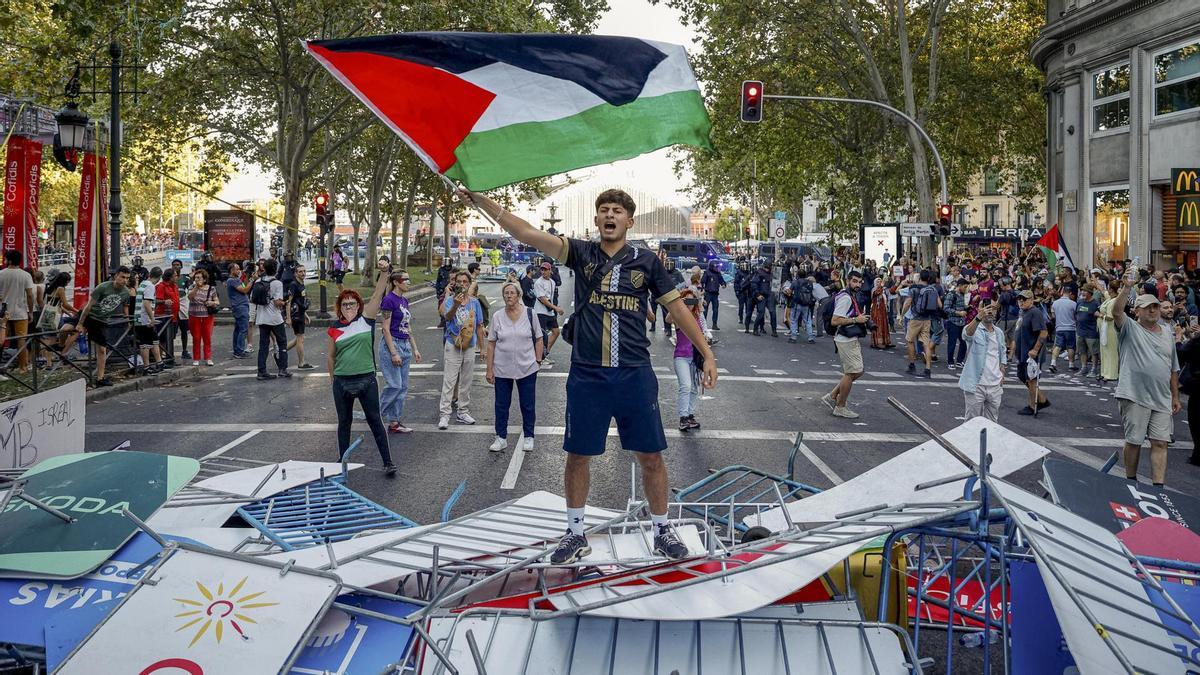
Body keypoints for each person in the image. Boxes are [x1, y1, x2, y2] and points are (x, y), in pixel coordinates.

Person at [459, 187, 717, 565]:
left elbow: (677, 309)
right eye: (604, 210)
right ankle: (575, 532)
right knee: (578, 455)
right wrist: (483, 202)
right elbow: (527, 232)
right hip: (588, 375)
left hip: (634, 373)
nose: (610, 215)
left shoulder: (647, 262)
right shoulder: (580, 253)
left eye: (617, 211)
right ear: (597, 220)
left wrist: (705, 352)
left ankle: (662, 529)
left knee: (652, 456)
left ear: (629, 221)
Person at [327, 260, 396, 476]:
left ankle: (387, 461)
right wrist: (333, 380)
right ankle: (342, 462)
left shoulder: (366, 321)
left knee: (375, 420)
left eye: (352, 304)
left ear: (359, 306)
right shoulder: (335, 329)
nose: (349, 307)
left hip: (366, 380)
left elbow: (377, 295)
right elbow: (330, 356)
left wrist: (384, 273)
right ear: (340, 307)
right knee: (344, 423)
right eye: (345, 304)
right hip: (342, 382)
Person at [1112, 286, 1181, 487]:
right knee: (1134, 441)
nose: (1152, 311)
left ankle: (1158, 487)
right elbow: (1116, 311)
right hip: (1134, 394)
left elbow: (1173, 368)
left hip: (1162, 397)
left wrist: (1175, 396)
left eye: (1155, 307)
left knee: (1161, 442)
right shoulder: (1129, 327)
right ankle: (1131, 481)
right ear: (1137, 311)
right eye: (1147, 307)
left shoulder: (1168, 333)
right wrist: (1126, 288)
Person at [486, 281, 544, 452]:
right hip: (502, 368)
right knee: (501, 405)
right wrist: (489, 369)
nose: (509, 296)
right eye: (506, 293)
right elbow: (491, 344)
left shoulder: (530, 314)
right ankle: (501, 437)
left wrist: (537, 361)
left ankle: (528, 436)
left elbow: (539, 338)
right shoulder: (497, 316)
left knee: (527, 404)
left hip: (527, 367)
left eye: (512, 293)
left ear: (519, 296)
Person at [437, 270, 487, 429]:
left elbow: (479, 325)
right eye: (459, 282)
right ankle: (444, 414)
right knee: (450, 380)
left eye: (466, 282)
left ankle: (462, 411)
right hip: (453, 343)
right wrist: (456, 304)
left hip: (470, 345)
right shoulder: (451, 301)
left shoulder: (474, 302)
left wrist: (483, 348)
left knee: (466, 380)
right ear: (455, 284)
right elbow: (447, 317)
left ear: (469, 283)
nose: (463, 285)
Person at [379, 270, 422, 434]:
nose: (408, 282)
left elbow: (407, 326)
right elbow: (385, 328)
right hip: (392, 344)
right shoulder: (388, 300)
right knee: (394, 385)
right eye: (406, 279)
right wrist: (393, 352)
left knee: (403, 387)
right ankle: (375, 413)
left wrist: (415, 347)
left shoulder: (404, 301)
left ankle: (394, 422)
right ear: (396, 282)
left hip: (405, 344)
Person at [77, 266, 133, 387]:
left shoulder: (125, 292)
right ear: (116, 276)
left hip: (102, 320)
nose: (125, 280)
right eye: (122, 277)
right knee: (100, 348)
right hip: (90, 316)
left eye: (127, 278)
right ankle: (100, 377)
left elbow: (125, 307)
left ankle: (100, 377)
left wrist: (127, 320)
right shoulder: (103, 287)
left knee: (101, 349)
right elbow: (88, 306)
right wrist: (81, 323)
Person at [822, 271, 868, 419]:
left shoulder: (847, 294)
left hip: (848, 338)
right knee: (852, 372)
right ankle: (840, 407)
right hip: (845, 338)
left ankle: (833, 395)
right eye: (854, 281)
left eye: (860, 282)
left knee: (856, 371)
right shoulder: (846, 298)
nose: (858, 285)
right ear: (848, 281)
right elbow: (835, 320)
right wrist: (856, 320)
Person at [958, 301, 1006, 421]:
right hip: (976, 384)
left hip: (995, 385)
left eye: (992, 308)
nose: (989, 311)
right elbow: (966, 335)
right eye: (985, 307)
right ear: (979, 310)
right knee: (971, 422)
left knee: (992, 423)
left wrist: (1002, 370)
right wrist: (978, 317)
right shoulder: (974, 328)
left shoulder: (999, 332)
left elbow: (1002, 351)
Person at [671, 290, 704, 430]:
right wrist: (679, 304)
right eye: (687, 300)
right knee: (686, 386)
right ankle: (683, 417)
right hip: (681, 357)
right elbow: (668, 318)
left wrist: (700, 304)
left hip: (695, 357)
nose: (689, 303)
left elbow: (704, 333)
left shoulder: (698, 317)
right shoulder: (679, 318)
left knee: (694, 388)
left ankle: (690, 415)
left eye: (692, 300)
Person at [1014, 290, 1051, 415]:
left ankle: (1033, 405)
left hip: (1031, 353)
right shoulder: (1023, 312)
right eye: (1019, 299)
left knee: (1031, 378)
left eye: (1024, 299)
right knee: (1023, 376)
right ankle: (1041, 399)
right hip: (1022, 351)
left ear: (1031, 300)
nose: (1021, 301)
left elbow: (1043, 332)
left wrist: (1035, 349)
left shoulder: (1035, 312)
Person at [254, 259, 291, 380]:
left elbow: (252, 298)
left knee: (263, 345)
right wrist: (285, 302)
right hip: (274, 318)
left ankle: (262, 371)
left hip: (261, 317)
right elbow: (277, 302)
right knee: (282, 342)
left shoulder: (258, 281)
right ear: (275, 269)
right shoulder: (277, 283)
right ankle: (283, 369)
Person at [0, 251, 35, 371]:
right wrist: (30, 312)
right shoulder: (25, 275)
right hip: (20, 312)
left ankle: (2, 367)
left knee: (2, 339)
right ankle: (23, 367)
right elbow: (30, 295)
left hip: (3, 313)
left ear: (9, 260)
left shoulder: (1, 274)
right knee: (22, 340)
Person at [904, 269, 938, 378]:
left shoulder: (913, 289)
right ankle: (928, 369)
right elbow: (939, 305)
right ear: (929, 279)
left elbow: (908, 302)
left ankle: (912, 365)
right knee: (926, 343)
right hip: (927, 319)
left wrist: (902, 313)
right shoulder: (933, 289)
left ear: (919, 278)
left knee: (909, 340)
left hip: (915, 318)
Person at [533, 261, 564, 365]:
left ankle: (545, 353)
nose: (543, 272)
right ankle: (540, 356)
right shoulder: (538, 283)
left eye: (545, 270)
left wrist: (554, 307)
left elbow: (551, 298)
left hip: (549, 312)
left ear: (550, 270)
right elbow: (543, 299)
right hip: (540, 312)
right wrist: (556, 308)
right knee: (542, 335)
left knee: (556, 332)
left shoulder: (552, 282)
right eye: (542, 269)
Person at [186, 268, 219, 366]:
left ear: (204, 279)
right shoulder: (192, 286)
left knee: (207, 337)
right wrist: (196, 287)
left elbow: (217, 301)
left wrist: (212, 302)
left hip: (207, 316)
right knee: (196, 337)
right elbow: (190, 297)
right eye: (196, 277)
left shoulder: (211, 289)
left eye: (199, 278)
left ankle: (208, 357)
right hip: (194, 315)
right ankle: (196, 358)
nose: (197, 279)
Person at [134, 266, 163, 373]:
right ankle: (146, 367)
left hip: (139, 317)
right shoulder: (150, 286)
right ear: (159, 277)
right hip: (144, 319)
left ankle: (159, 363)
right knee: (145, 344)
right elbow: (147, 304)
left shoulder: (143, 283)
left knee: (154, 340)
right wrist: (152, 318)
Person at [285, 265, 314, 369]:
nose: (303, 273)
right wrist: (288, 318)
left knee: (300, 338)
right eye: (300, 272)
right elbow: (289, 302)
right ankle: (301, 362)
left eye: (304, 271)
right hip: (295, 315)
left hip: (301, 314)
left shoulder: (302, 284)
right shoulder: (294, 285)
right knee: (300, 338)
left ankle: (281, 351)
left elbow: (300, 301)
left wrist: (306, 314)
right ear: (295, 273)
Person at [1075, 284, 1101, 377]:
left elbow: (1100, 314)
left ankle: (1094, 369)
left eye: (1085, 291)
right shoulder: (1080, 302)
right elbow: (1076, 313)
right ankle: (1084, 368)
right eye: (1082, 291)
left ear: (1090, 293)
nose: (1083, 293)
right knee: (1082, 351)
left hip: (1091, 332)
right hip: (1080, 331)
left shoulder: (1095, 303)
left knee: (1094, 352)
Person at [1049, 287, 1078, 373]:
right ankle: (1071, 364)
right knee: (1071, 346)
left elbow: (1053, 315)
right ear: (1070, 293)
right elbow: (1076, 316)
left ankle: (1053, 362)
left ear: (1062, 292)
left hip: (1059, 327)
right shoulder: (1073, 304)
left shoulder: (1055, 303)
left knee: (1058, 345)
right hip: (1071, 328)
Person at [943, 278, 970, 368]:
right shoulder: (951, 295)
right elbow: (946, 308)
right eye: (965, 287)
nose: (966, 289)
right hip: (953, 322)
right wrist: (958, 313)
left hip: (962, 322)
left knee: (964, 342)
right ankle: (950, 361)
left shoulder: (963, 295)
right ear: (960, 286)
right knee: (952, 343)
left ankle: (960, 360)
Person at [226, 263, 251, 359]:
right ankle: (239, 351)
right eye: (237, 269)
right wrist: (252, 281)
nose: (239, 271)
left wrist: (248, 277)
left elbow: (244, 285)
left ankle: (237, 349)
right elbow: (244, 290)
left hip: (241, 306)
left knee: (238, 329)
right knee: (243, 329)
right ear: (232, 270)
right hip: (240, 306)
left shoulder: (236, 280)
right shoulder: (232, 281)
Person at [156, 268, 179, 367]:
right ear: (169, 277)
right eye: (175, 275)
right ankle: (160, 360)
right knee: (162, 339)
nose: (176, 277)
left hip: (174, 317)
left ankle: (170, 358)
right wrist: (164, 301)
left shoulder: (175, 286)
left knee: (170, 338)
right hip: (163, 317)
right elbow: (156, 300)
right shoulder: (161, 286)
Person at [786, 269, 817, 344]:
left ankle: (793, 337)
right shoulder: (809, 283)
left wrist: (787, 291)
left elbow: (789, 291)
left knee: (793, 319)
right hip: (806, 303)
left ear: (798, 275)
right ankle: (810, 337)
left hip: (797, 303)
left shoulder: (795, 282)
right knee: (808, 320)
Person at [170, 259, 192, 360]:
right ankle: (169, 352)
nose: (176, 266)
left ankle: (184, 350)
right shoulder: (168, 278)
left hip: (183, 306)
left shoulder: (185, 278)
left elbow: (190, 290)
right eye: (174, 265)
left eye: (178, 265)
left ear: (181, 267)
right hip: (172, 306)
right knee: (171, 332)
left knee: (184, 330)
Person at [869, 276, 893, 349]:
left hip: (882, 310)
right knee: (878, 325)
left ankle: (885, 341)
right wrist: (881, 286)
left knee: (884, 324)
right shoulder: (874, 290)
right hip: (876, 310)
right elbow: (877, 293)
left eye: (880, 281)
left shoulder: (883, 289)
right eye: (878, 281)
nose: (879, 283)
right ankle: (877, 342)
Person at [700, 260, 725, 330]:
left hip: (715, 294)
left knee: (715, 309)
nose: (717, 268)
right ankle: (703, 325)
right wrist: (703, 289)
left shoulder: (718, 273)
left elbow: (722, 280)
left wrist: (723, 284)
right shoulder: (707, 272)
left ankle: (714, 324)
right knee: (705, 309)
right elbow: (703, 281)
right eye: (715, 267)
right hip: (708, 293)